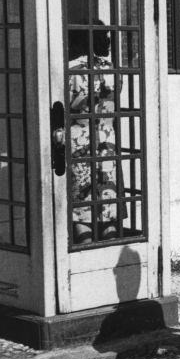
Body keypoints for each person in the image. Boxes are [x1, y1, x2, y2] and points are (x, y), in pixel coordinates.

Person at [66, 24, 120, 244]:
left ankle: (85, 247)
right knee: (107, 205)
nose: (108, 41)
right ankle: (110, 249)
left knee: (81, 207)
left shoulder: (71, 69)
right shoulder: (111, 69)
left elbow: (62, 105)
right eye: (105, 36)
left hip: (79, 142)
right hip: (107, 140)